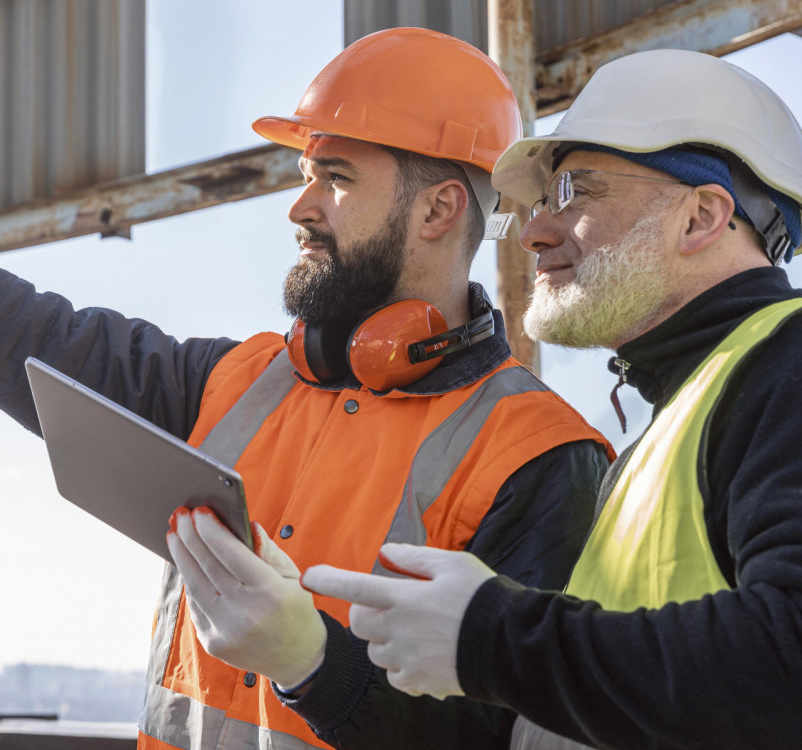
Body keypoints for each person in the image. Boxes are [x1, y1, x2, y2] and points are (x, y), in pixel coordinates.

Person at [0, 28, 611, 750]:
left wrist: (318, 665)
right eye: (305, 174)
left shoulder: (537, 460)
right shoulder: (236, 385)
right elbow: (4, 326)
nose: (300, 205)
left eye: (337, 178)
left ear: (441, 207)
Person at [303, 47, 802, 750]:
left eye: (575, 194)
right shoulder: (679, 423)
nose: (534, 232)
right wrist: (308, 664)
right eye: (541, 203)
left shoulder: (785, 363)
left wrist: (493, 637)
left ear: (700, 218)